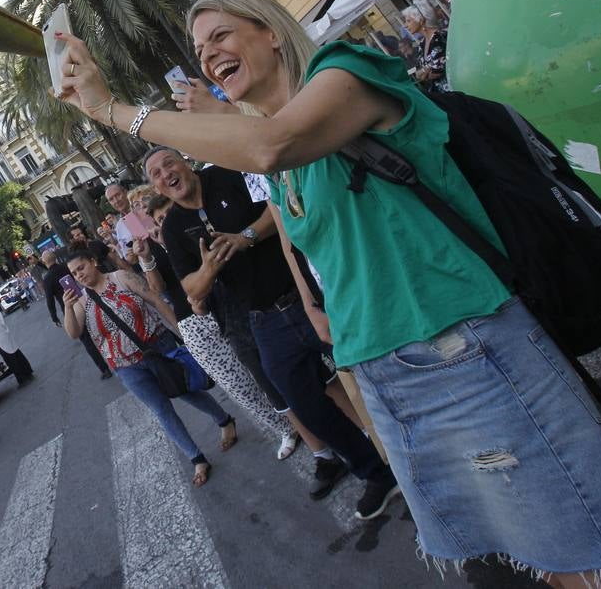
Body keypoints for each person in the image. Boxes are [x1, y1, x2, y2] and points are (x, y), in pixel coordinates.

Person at [56, 0, 601, 582]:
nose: (208, 53)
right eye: (199, 47)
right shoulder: (282, 144)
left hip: (466, 346)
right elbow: (296, 224)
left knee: (594, 556)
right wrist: (332, 330)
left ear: (270, 31)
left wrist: (115, 110)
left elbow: (272, 146)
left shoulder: (347, 72)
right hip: (385, 370)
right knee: (530, 554)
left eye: (222, 35)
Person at [146, 145, 388, 510]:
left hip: (307, 297)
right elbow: (191, 288)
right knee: (306, 406)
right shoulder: (174, 227)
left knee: (371, 372)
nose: (166, 174)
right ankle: (376, 474)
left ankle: (409, 453)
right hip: (263, 319)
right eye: (156, 175)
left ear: (186, 163)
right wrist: (210, 266)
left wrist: (245, 238)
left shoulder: (228, 173)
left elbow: (280, 210)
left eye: (169, 163)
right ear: (158, 190)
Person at [144, 193, 300, 460]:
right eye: (159, 219)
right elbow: (159, 288)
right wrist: (153, 254)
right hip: (201, 319)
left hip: (241, 306)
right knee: (243, 383)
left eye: (169, 213)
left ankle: (309, 419)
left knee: (278, 364)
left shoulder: (201, 225)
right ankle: (286, 428)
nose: (165, 222)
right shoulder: (154, 247)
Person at [62, 247, 236, 487]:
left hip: (158, 345)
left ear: (93, 262)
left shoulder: (121, 278)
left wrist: (181, 331)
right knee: (161, 410)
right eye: (74, 273)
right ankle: (196, 458)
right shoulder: (81, 302)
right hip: (125, 366)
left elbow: (155, 299)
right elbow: (74, 333)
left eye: (81, 267)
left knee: (186, 391)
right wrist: (68, 308)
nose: (79, 275)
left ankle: (224, 420)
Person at [40, 248, 113, 380]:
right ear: (55, 257)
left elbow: (49, 300)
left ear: (44, 262)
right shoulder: (66, 267)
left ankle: (104, 369)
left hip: (70, 308)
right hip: (85, 299)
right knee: (103, 327)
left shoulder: (47, 279)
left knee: (87, 341)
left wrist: (54, 316)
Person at [402, 0, 449, 92]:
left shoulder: (439, 36)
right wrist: (426, 70)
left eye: (408, 21)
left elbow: (437, 71)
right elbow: (422, 74)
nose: (405, 25)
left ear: (421, 19)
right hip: (441, 94)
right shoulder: (422, 44)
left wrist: (425, 71)